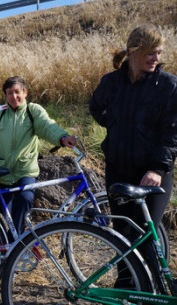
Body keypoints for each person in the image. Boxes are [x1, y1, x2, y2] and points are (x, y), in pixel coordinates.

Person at [89, 24, 177, 288]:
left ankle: (155, 290)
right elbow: (96, 108)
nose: (156, 58)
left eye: (159, 53)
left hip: (153, 174)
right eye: (151, 52)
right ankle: (127, 288)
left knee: (146, 237)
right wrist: (115, 126)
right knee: (123, 235)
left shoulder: (168, 86)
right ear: (133, 51)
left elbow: (172, 134)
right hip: (118, 169)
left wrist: (157, 169)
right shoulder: (112, 82)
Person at [0, 76, 76, 235]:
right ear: (5, 96)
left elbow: (47, 127)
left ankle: (15, 244)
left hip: (24, 171)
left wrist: (62, 138)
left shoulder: (33, 112)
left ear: (25, 92)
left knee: (24, 199)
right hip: (1, 173)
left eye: (17, 92)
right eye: (9, 93)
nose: (14, 96)